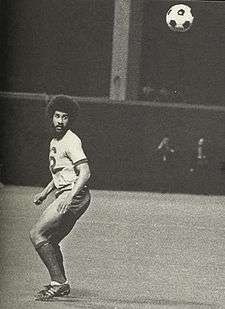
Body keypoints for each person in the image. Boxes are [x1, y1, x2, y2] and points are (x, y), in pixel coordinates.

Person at [29, 95, 91, 301]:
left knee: (37, 234)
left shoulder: (71, 140)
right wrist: (45, 193)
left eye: (65, 117)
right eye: (57, 116)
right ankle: (60, 283)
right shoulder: (55, 141)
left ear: (69, 119)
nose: (60, 121)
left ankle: (59, 282)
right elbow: (61, 174)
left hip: (75, 195)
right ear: (51, 117)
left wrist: (69, 196)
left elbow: (85, 172)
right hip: (70, 194)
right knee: (51, 239)